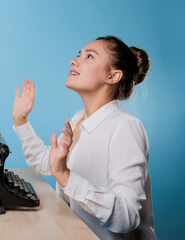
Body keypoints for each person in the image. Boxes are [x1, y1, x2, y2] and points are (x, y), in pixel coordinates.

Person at [12, 36, 157, 239]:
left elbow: (126, 216)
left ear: (112, 76)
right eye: (79, 54)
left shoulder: (125, 127)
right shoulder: (79, 119)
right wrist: (21, 121)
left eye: (89, 56)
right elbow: (48, 164)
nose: (74, 60)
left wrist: (65, 176)